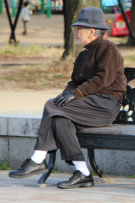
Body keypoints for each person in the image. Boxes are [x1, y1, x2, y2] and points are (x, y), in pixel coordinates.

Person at [8, 7, 127, 189]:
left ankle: (38, 159)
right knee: (59, 120)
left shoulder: (107, 48)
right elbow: (73, 83)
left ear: (92, 31)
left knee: (51, 105)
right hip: (88, 104)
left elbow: (104, 79)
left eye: (79, 28)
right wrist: (65, 96)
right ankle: (83, 173)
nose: (76, 32)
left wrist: (75, 95)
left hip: (105, 104)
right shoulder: (82, 55)